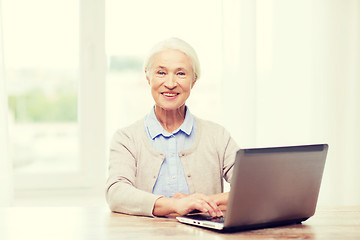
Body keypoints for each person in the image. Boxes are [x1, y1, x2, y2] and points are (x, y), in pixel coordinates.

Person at [106, 38, 239, 217]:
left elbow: (253, 187)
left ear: (193, 81)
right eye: (161, 73)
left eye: (181, 74)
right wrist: (175, 205)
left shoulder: (218, 136)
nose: (170, 83)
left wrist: (198, 203)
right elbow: (117, 193)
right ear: (148, 77)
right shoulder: (126, 138)